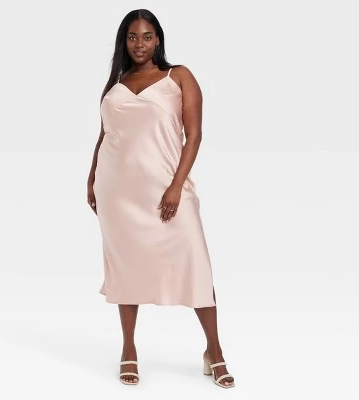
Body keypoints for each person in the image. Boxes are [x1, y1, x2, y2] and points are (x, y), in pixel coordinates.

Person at [87, 9, 235, 389]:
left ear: (158, 40)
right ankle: (129, 348)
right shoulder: (116, 83)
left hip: (167, 189)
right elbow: (105, 135)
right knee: (126, 268)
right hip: (118, 193)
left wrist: (175, 186)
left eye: (147, 36)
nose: (139, 44)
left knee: (196, 264)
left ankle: (214, 350)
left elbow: (194, 135)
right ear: (124, 42)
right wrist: (91, 178)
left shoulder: (178, 77)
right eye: (132, 37)